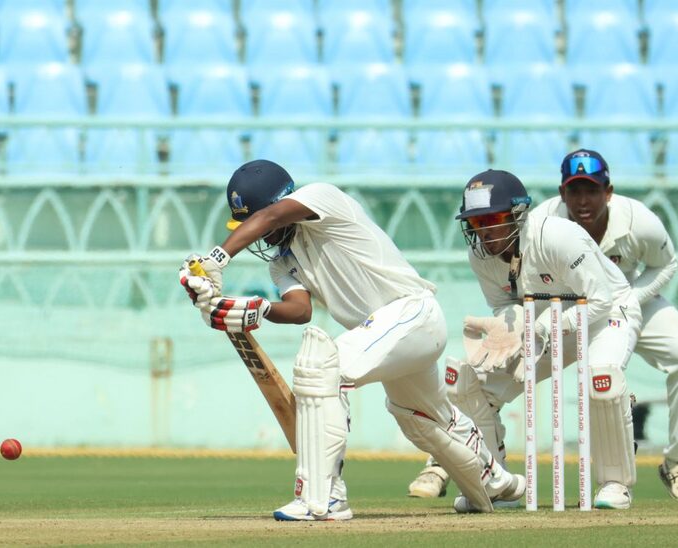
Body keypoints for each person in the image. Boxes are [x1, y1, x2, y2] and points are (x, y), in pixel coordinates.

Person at [179, 159, 525, 520]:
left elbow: (272, 217)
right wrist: (256, 309)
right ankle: (494, 481)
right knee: (424, 419)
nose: (263, 237)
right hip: (384, 336)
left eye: (257, 223)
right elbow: (300, 310)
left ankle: (324, 497)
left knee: (324, 366)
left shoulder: (322, 198)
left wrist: (216, 258)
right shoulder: (281, 262)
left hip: (412, 313)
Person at [409, 168, 641, 510]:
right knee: (471, 385)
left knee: (601, 380)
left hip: (606, 314)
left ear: (518, 213)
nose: (485, 231)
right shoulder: (481, 257)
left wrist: (545, 326)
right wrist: (505, 329)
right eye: (476, 223)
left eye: (495, 218)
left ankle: (615, 484)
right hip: (544, 324)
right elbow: (507, 305)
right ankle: (494, 483)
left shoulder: (559, 237)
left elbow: (601, 300)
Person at [532, 148, 678, 500]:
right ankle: (462, 464)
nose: (583, 200)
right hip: (568, 307)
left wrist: (628, 297)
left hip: (627, 299)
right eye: (575, 191)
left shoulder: (637, 220)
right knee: (507, 368)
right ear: (561, 193)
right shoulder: (542, 223)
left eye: (592, 190)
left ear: (608, 192)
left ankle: (675, 464)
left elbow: (667, 263)